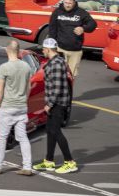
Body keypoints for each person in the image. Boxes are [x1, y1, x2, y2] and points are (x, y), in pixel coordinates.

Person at [0, 41, 34, 176]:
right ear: (18, 51)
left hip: (7, 106)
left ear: (8, 51)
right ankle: (27, 166)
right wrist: (24, 100)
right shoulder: (26, 67)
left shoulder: (4, 67)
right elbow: (28, 87)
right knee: (23, 137)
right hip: (21, 106)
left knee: (1, 137)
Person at [34, 37, 78, 173]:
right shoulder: (56, 61)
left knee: (55, 131)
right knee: (50, 131)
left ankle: (70, 162)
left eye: (43, 49)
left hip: (57, 104)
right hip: (55, 103)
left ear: (48, 49)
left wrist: (50, 104)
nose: (42, 51)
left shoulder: (56, 64)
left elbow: (58, 87)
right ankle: (49, 161)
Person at [47, 0, 95, 78]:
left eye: (70, 3)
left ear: (74, 3)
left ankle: (69, 91)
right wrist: (51, 48)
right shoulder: (57, 12)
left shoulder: (81, 12)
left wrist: (83, 28)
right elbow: (52, 30)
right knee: (58, 74)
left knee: (71, 76)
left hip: (75, 51)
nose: (67, 5)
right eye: (66, 2)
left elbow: (93, 24)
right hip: (60, 49)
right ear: (63, 1)